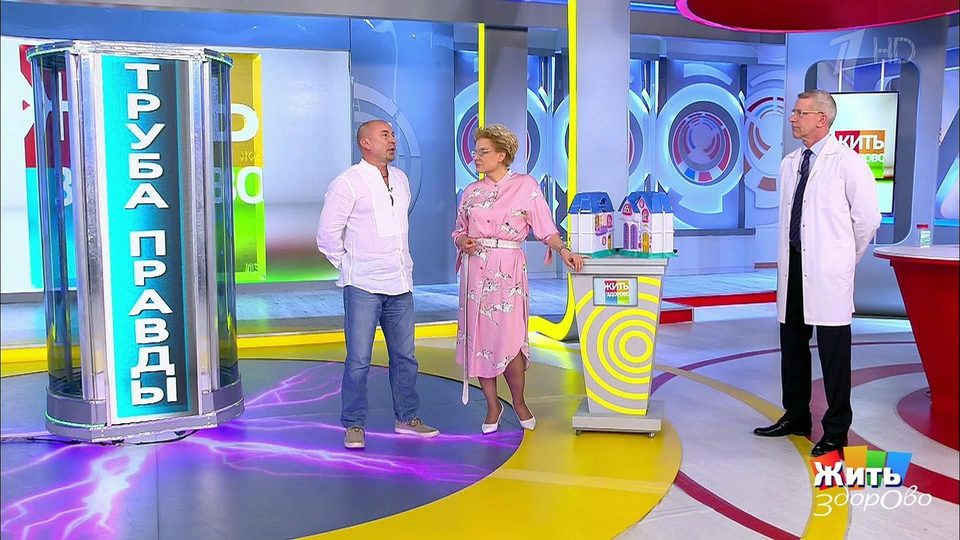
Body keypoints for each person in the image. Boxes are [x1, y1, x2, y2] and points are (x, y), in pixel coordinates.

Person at [753, 90, 881, 457]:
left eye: (800, 113)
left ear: (822, 119)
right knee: (793, 346)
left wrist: (842, 258)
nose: (792, 118)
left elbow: (867, 220)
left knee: (833, 354)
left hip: (827, 272)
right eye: (794, 112)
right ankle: (796, 416)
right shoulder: (790, 163)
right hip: (793, 267)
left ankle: (836, 429)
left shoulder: (848, 163)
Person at [452, 124, 585, 434]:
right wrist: (462, 241)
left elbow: (546, 228)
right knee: (479, 339)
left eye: (483, 152)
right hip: (475, 272)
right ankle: (492, 406)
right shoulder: (471, 192)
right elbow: (458, 229)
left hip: (508, 271)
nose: (476, 157)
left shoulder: (526, 186)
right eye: (475, 151)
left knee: (510, 339)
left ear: (502, 155)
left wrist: (563, 249)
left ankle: (519, 401)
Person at [317, 119, 439, 450]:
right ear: (365, 143)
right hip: (363, 286)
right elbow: (327, 235)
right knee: (359, 360)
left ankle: (407, 418)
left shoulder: (400, 179)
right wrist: (349, 265)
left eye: (393, 135)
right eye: (385, 135)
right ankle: (354, 424)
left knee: (406, 358)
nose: (393, 140)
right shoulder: (347, 183)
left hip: (400, 283)